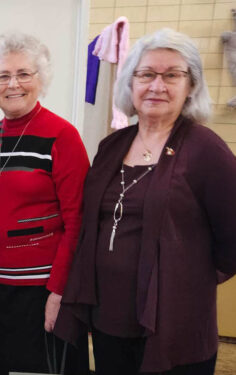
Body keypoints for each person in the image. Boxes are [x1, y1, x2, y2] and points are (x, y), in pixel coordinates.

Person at [54, 28, 236, 375]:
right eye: (146, 74)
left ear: (191, 86)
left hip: (175, 326)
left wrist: (186, 277)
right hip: (109, 320)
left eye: (172, 75)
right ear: (130, 83)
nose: (157, 85)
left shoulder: (206, 150)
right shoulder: (112, 147)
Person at [0, 32, 90, 375]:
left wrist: (59, 292)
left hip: (40, 291)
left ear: (41, 79)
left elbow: (77, 221)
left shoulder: (62, 136)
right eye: (3, 76)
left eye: (24, 74)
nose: (13, 84)